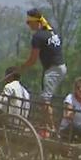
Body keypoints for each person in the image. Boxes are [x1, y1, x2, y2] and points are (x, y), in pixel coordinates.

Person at [19, 8, 66, 136]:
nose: (28, 25)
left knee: (44, 100)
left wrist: (21, 67)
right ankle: (47, 126)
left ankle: (51, 129)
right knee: (45, 99)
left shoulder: (38, 37)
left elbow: (33, 60)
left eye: (29, 22)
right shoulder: (52, 32)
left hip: (53, 69)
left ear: (36, 22)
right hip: (59, 67)